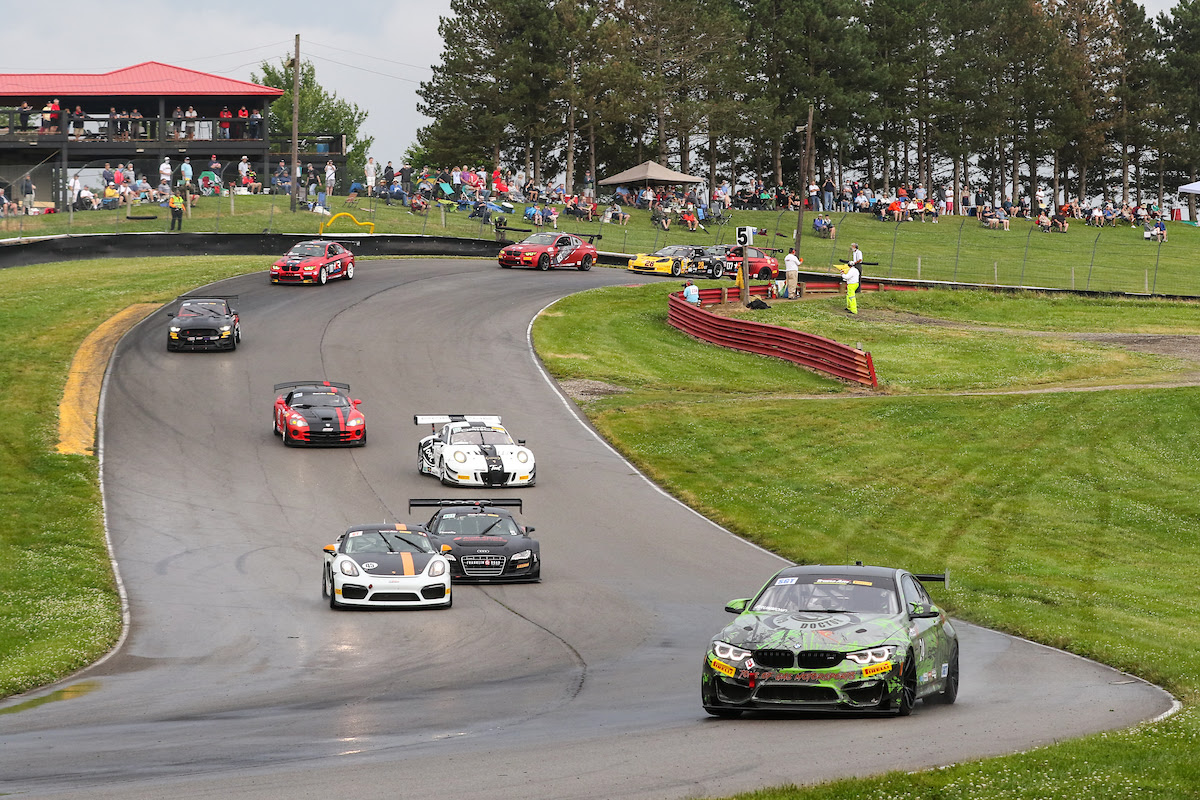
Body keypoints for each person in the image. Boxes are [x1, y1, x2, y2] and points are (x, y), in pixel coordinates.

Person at [842, 243, 863, 315]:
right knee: (849, 295)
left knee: (851, 296)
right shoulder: (854, 253)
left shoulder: (859, 252)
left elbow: (860, 259)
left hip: (857, 266)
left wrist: (842, 274)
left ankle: (853, 309)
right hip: (853, 281)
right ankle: (849, 306)